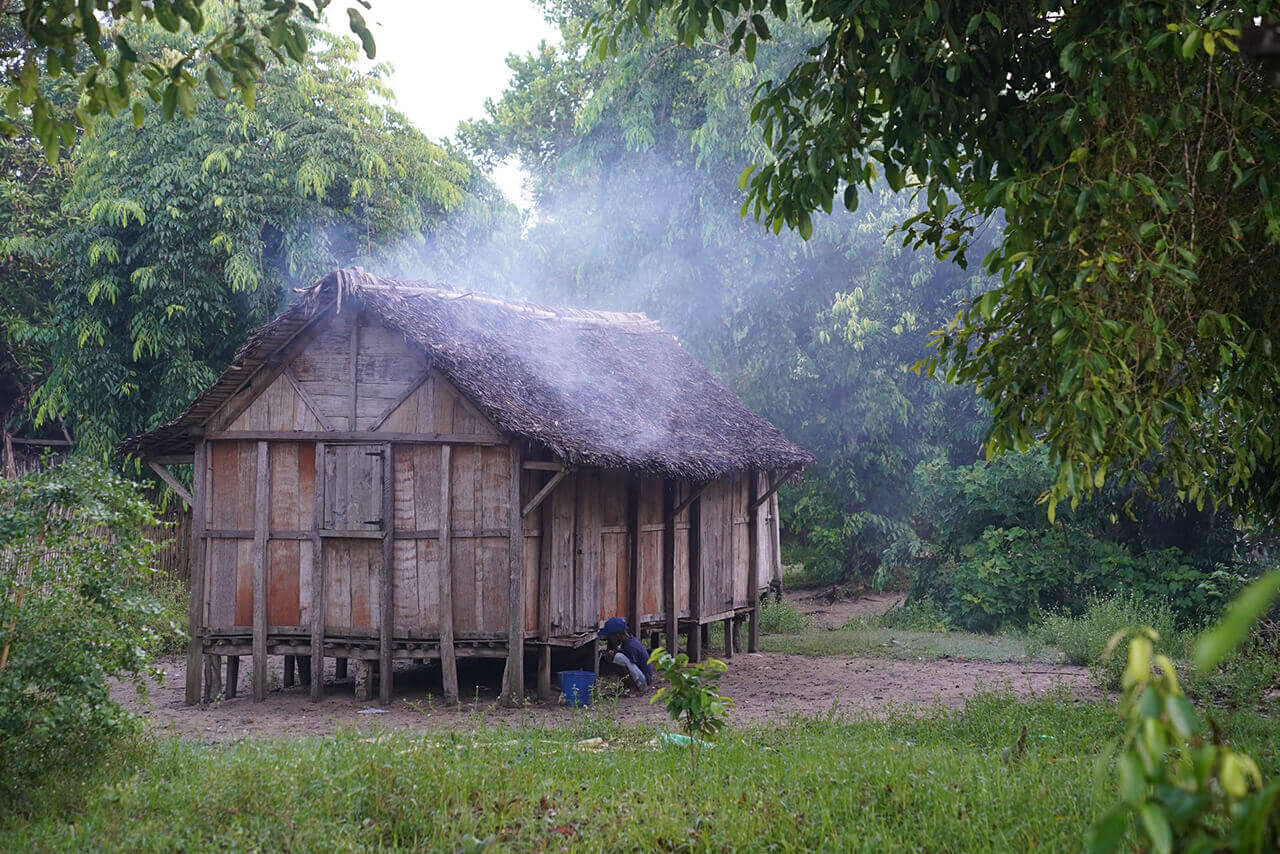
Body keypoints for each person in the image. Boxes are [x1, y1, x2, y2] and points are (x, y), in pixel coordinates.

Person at [597, 617, 653, 693]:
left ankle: (634, 688)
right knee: (617, 658)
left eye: (610, 637)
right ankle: (629, 686)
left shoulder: (631, 646)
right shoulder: (628, 641)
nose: (608, 639)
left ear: (617, 635)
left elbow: (630, 668)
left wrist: (614, 655)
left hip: (644, 681)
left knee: (618, 658)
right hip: (642, 677)